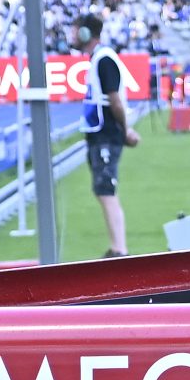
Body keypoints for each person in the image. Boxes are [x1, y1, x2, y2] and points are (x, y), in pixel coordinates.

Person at [74, 13, 138, 257]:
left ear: (84, 33)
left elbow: (115, 101)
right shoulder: (98, 59)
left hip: (106, 134)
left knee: (106, 188)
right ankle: (117, 247)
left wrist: (125, 130)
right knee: (103, 189)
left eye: (75, 30)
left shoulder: (104, 59)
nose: (72, 35)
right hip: (100, 134)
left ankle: (119, 250)